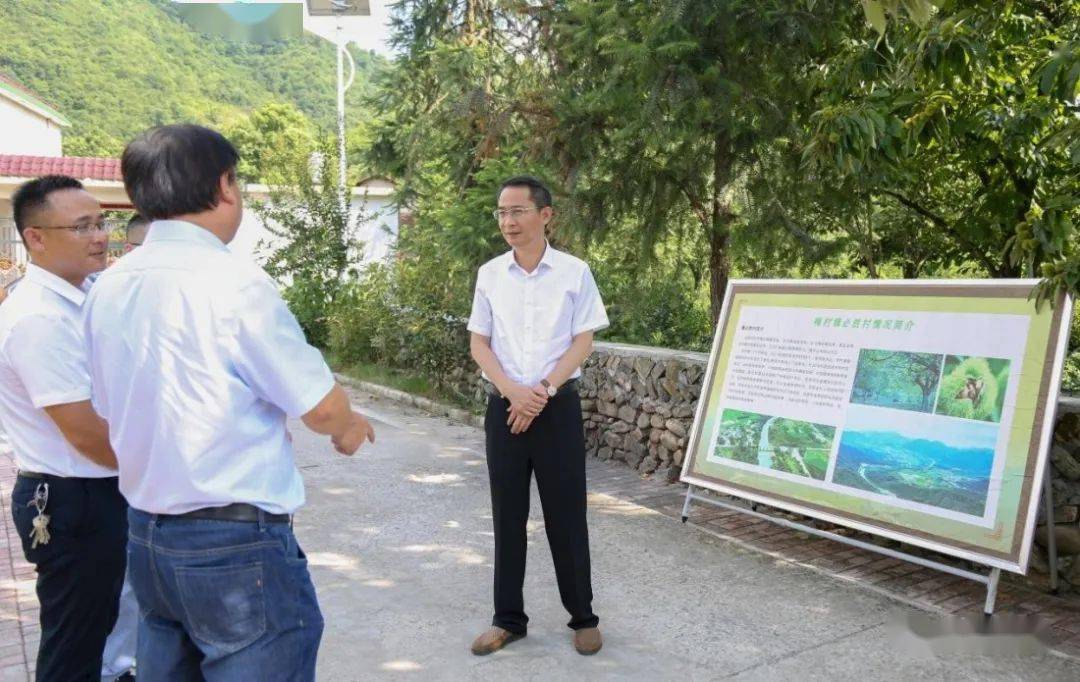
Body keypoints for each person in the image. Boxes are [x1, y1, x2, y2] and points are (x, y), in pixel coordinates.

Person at [84, 124, 375, 681]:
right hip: (234, 546)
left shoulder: (111, 287)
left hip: (147, 536)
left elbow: (106, 403)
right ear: (225, 186)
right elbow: (319, 405)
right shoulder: (232, 282)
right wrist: (349, 427)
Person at [467, 175, 609, 656]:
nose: (508, 221)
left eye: (518, 211)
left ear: (545, 215)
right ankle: (508, 619)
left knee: (566, 516)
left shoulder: (574, 273)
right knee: (508, 515)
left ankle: (583, 617)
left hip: (557, 410)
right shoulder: (489, 274)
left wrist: (542, 393)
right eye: (501, 213)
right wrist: (512, 393)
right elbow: (479, 343)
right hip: (504, 410)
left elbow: (583, 340)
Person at [0, 175, 127, 680]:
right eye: (81, 227)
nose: (100, 237)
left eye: (101, 223)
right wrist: (165, 469)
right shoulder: (38, 318)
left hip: (97, 493)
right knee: (77, 646)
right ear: (36, 237)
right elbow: (85, 433)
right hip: (75, 501)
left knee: (109, 635)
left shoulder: (87, 295)